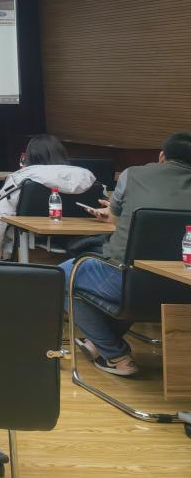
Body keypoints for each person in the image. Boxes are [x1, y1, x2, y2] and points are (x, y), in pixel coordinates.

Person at [61, 131, 191, 378]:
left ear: (162, 156)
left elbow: (116, 218)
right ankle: (98, 341)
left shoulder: (133, 175)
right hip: (184, 287)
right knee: (133, 285)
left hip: (129, 281)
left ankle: (117, 356)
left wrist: (110, 213)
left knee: (63, 275)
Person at [0, 134, 96, 258]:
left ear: (30, 156)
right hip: (80, 246)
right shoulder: (88, 178)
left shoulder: (20, 179)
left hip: (26, 249)